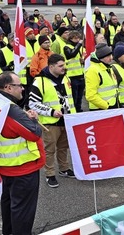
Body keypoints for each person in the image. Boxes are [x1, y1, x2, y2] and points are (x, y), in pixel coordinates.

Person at [0, 72, 45, 233]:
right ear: (8, 88)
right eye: (19, 85)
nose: (22, 88)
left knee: (9, 204)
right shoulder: (11, 109)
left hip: (6, 166)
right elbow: (34, 133)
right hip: (22, 168)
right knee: (23, 210)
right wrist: (34, 119)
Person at [29, 54, 75, 188]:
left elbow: (69, 98)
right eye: (60, 66)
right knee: (49, 150)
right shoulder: (40, 82)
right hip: (50, 123)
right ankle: (50, 174)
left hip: (66, 120)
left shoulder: (65, 78)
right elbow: (32, 104)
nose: (64, 68)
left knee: (63, 147)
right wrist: (51, 112)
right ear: (51, 67)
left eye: (64, 65)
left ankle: (64, 168)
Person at [85, 43, 117, 111]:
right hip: (100, 109)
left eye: (111, 55)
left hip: (110, 106)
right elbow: (90, 96)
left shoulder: (107, 67)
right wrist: (106, 105)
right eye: (108, 56)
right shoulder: (92, 70)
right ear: (100, 58)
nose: (111, 58)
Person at [62, 31, 85, 113]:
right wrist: (79, 44)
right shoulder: (66, 47)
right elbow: (71, 54)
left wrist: (83, 60)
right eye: (75, 38)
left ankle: (79, 109)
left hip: (81, 75)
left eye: (78, 38)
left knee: (80, 96)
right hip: (72, 76)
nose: (78, 40)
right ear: (71, 38)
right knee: (74, 96)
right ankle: (73, 111)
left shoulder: (81, 48)